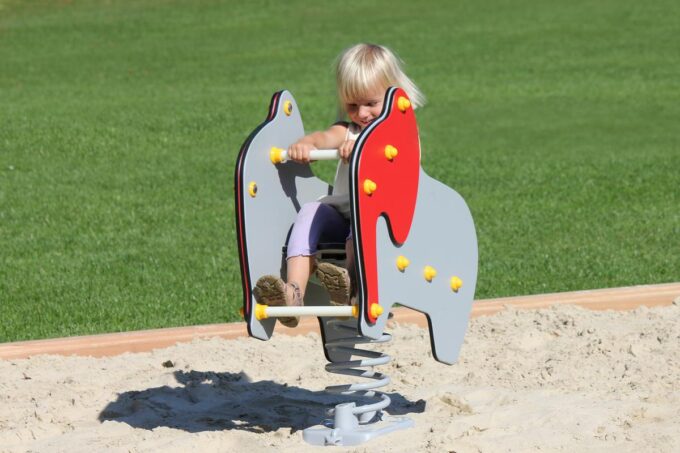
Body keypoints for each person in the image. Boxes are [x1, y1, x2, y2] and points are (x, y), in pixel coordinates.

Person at [253, 43, 425, 327]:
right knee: (310, 212)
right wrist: (306, 144)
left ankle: (355, 287)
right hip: (343, 214)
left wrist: (364, 152)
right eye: (352, 105)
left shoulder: (401, 135)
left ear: (394, 95)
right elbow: (324, 137)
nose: (362, 113)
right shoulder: (349, 131)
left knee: (363, 223)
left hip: (382, 222)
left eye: (371, 103)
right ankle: (293, 294)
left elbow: (399, 164)